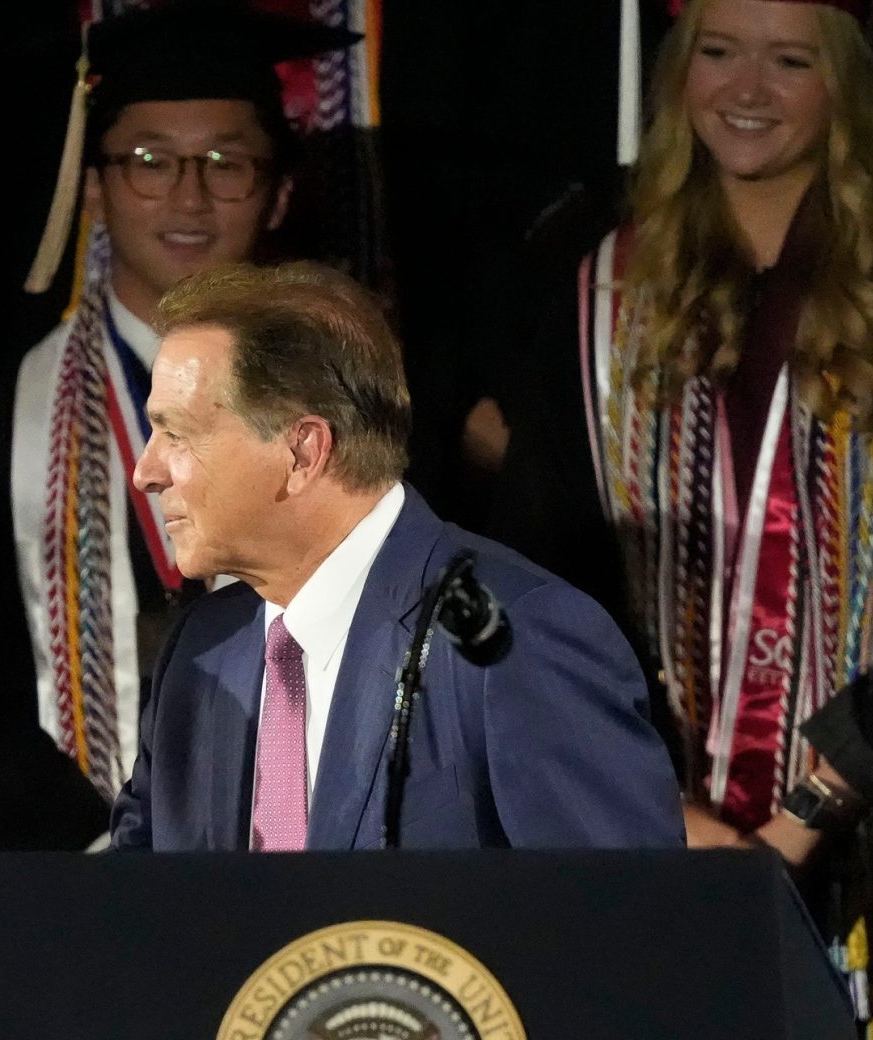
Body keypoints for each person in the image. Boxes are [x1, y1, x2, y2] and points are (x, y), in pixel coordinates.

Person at [489, 2, 873, 1040]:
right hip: (648, 847)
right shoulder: (593, 279)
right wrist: (665, 815)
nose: (748, 89)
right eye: (718, 53)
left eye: (791, 59)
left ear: (845, 84)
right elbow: (536, 586)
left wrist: (799, 822)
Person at [0, 2, 357, 885]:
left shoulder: (351, 417)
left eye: (228, 162)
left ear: (281, 191)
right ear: (96, 186)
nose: (189, 197)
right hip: (69, 877)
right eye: (149, 161)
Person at [108, 260, 684, 852]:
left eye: (176, 434)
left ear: (303, 451)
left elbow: (622, 923)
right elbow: (137, 909)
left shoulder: (513, 640)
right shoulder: (202, 650)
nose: (146, 472)